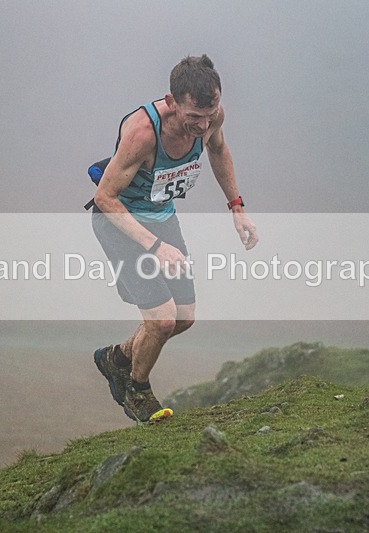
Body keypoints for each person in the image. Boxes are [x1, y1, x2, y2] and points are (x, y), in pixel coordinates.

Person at [91, 54, 258, 424]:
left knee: (184, 317)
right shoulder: (142, 133)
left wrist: (237, 207)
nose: (202, 125)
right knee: (162, 321)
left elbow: (218, 150)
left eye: (209, 114)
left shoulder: (213, 118)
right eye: (193, 117)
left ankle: (116, 359)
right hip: (119, 222)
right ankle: (137, 391)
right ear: (171, 102)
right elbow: (105, 197)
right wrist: (154, 245)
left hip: (161, 218)